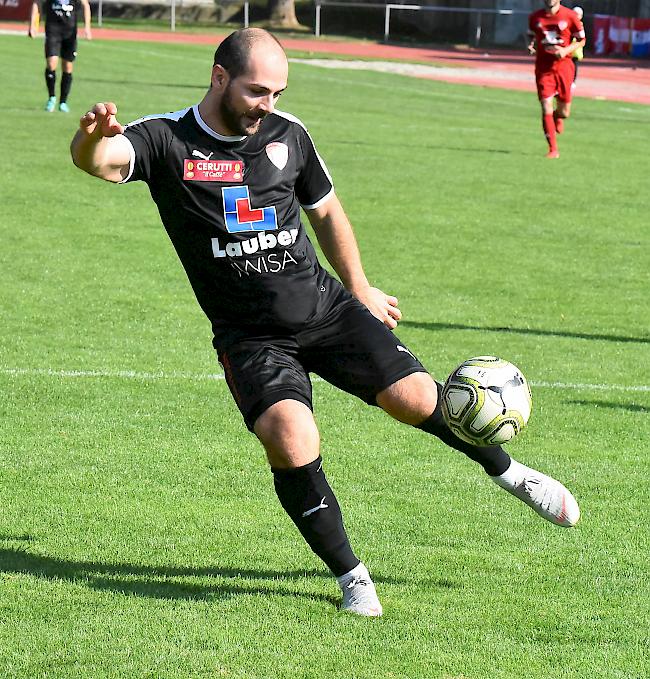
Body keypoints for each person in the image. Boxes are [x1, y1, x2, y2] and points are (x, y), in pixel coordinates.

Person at [70, 28, 580, 617]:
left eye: (278, 92)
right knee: (291, 440)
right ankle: (353, 578)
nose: (269, 104)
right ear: (218, 78)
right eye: (258, 91)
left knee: (416, 399)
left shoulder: (289, 136)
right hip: (252, 337)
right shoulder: (167, 140)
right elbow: (103, 162)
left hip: (324, 307)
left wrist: (360, 289)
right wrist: (89, 140)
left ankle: (511, 473)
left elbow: (326, 209)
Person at [527, 0, 586, 158]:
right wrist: (531, 45)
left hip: (564, 67)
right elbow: (531, 34)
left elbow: (582, 40)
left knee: (564, 112)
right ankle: (553, 149)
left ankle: (556, 117)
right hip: (543, 69)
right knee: (546, 105)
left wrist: (566, 50)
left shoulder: (570, 16)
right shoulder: (535, 17)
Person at [29, 0, 92, 113]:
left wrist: (87, 27)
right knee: (51, 64)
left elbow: (85, 4)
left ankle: (63, 102)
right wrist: (33, 25)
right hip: (53, 31)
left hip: (70, 33)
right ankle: (51, 97)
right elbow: (36, 3)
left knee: (67, 67)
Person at [571, 6, 585, 88]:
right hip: (568, 49)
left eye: (578, 14)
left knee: (574, 65)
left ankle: (573, 81)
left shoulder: (580, 25)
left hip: (576, 50)